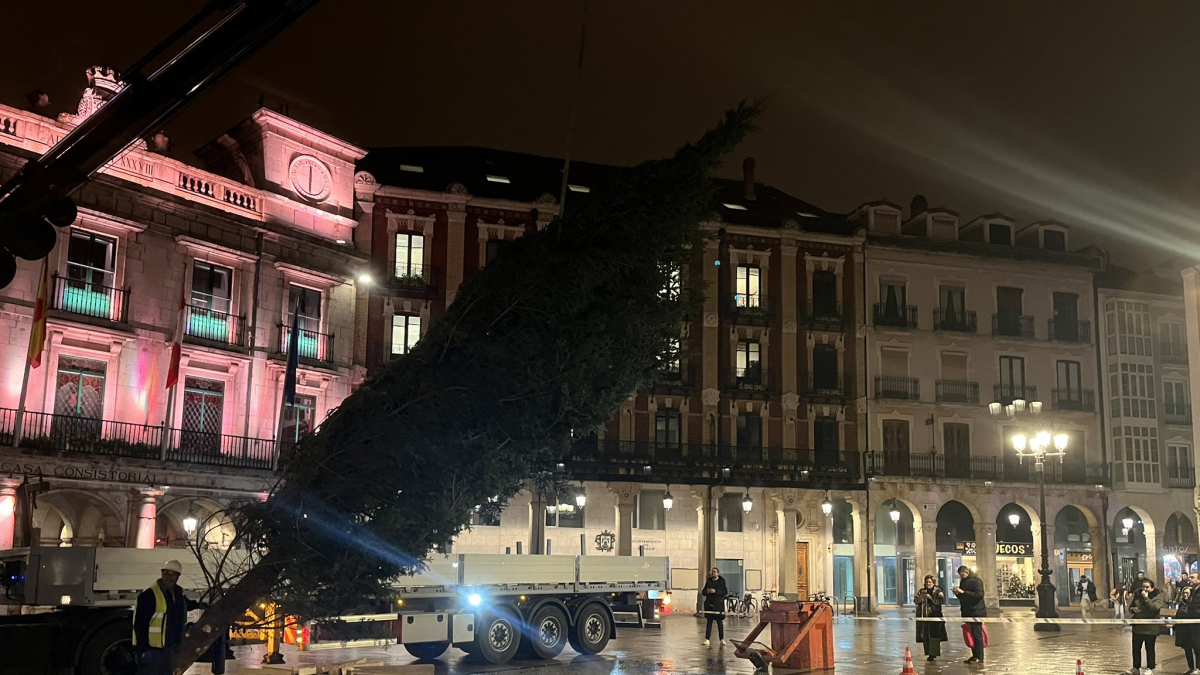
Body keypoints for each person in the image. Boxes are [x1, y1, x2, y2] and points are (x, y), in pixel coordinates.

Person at [133, 560, 199, 675]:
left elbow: (183, 606)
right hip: (153, 649)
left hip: (169, 648)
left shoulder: (176, 593)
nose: (169, 578)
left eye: (172, 575)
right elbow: (140, 624)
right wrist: (143, 650)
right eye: (166, 573)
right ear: (162, 573)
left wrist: (201, 605)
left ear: (178, 576)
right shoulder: (149, 595)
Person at [1127, 578, 1164, 675]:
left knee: (1150, 648)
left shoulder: (1157, 597)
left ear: (1152, 588)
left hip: (1150, 627)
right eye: (1143, 587)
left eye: (1147, 587)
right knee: (1136, 648)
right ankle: (1136, 667)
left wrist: (1146, 598)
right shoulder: (1137, 595)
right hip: (1138, 626)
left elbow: (1153, 608)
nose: (1144, 589)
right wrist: (1133, 609)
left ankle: (1150, 667)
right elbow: (1130, 607)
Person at [952, 565, 986, 665]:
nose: (961, 577)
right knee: (970, 634)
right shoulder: (963, 581)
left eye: (962, 575)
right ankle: (974, 655)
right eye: (960, 575)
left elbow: (979, 595)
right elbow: (964, 597)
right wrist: (958, 593)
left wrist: (963, 592)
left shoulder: (977, 581)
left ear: (967, 573)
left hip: (976, 611)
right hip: (967, 611)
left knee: (977, 634)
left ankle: (979, 656)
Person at [914, 575, 948, 662]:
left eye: (929, 582)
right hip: (924, 616)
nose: (928, 583)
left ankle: (933, 653)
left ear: (933, 583)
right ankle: (929, 653)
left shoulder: (938, 591)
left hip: (935, 616)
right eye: (926, 582)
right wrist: (920, 599)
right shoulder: (922, 591)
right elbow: (916, 600)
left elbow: (940, 602)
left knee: (934, 635)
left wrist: (931, 598)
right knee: (925, 635)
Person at [1176, 573, 1200, 675]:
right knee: (1188, 647)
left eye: (1192, 577)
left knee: (1197, 647)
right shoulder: (1194, 591)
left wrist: (1191, 615)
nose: (1190, 579)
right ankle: (1191, 667)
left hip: (1196, 625)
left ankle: (1198, 668)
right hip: (1187, 627)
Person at [701, 567, 728, 647]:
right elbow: (703, 592)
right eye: (712, 572)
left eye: (715, 572)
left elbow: (725, 592)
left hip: (718, 605)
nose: (713, 573)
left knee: (719, 622)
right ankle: (707, 639)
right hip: (710, 605)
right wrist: (707, 591)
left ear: (718, 573)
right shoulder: (709, 581)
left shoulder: (721, 581)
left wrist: (716, 591)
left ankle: (721, 639)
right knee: (709, 622)